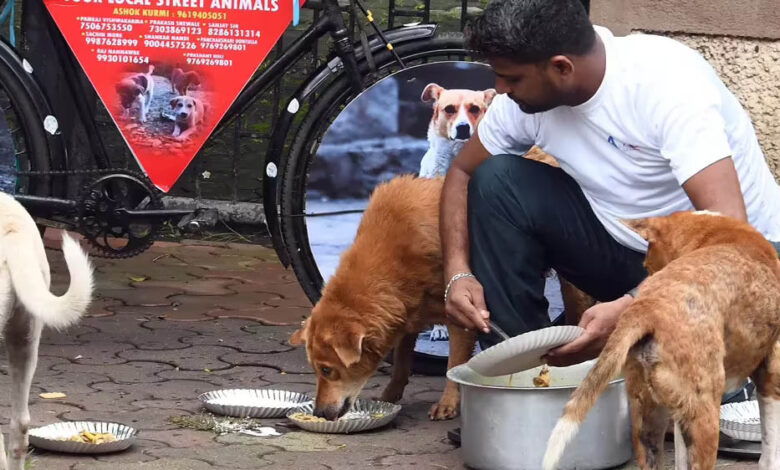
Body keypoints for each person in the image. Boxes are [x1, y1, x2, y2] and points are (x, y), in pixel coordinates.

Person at [441, 0, 780, 396]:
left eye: (510, 79)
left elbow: (727, 238)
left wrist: (630, 309)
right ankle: (521, 384)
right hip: (629, 253)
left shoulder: (666, 83)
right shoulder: (525, 99)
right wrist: (456, 272)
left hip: (739, 269)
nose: (500, 90)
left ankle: (734, 374)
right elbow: (460, 173)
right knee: (497, 180)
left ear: (562, 67)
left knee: (694, 403)